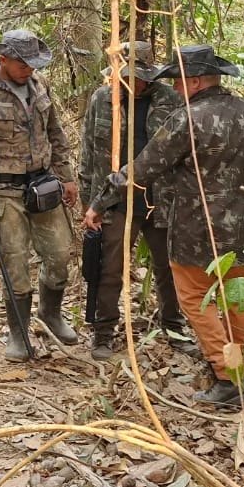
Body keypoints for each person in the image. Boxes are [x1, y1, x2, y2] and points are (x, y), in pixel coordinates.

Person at [92, 45, 244, 406]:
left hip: (197, 228)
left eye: (178, 82)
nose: (174, 89)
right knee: (237, 299)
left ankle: (227, 377)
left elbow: (143, 169)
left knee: (195, 300)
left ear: (195, 81)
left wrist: (99, 202)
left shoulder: (188, 118)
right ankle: (238, 369)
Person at [0, 29, 80, 360]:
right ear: (3, 59)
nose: (28, 70)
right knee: (15, 265)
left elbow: (56, 132)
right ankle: (19, 332)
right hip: (2, 191)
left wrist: (67, 177)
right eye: (22, 63)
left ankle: (51, 314)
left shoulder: (41, 86)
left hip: (43, 186)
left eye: (33, 64)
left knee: (59, 256)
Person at [80, 41, 185, 361]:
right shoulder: (102, 98)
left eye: (140, 76)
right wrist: (90, 201)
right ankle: (104, 332)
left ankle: (174, 327)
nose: (135, 82)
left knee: (169, 268)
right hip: (114, 201)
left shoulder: (170, 99)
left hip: (162, 199)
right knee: (110, 269)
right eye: (127, 75)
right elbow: (89, 152)